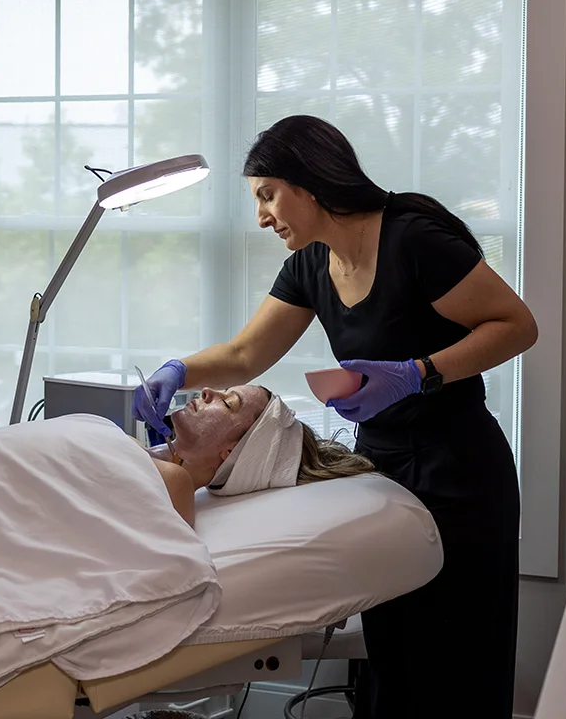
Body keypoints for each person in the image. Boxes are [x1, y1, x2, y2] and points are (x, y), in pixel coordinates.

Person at [132, 114, 539, 718]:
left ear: (310, 181)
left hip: (460, 468)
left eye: (268, 195)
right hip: (383, 468)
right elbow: (246, 354)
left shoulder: (412, 240)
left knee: (456, 652)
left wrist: (417, 373)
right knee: (392, 652)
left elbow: (516, 325)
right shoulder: (309, 265)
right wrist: (178, 371)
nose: (263, 216)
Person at [145, 384, 377, 526]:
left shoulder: (174, 484)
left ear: (232, 452)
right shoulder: (138, 451)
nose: (206, 391)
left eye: (227, 403)